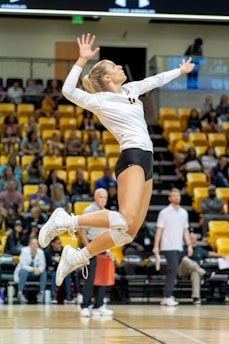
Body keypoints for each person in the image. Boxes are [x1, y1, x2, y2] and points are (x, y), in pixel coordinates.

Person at [38, 33, 195, 289]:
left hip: (147, 159)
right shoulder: (99, 100)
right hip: (131, 156)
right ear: (107, 77)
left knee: (128, 232)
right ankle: (65, 220)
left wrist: (180, 70)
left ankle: (77, 256)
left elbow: (155, 80)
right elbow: (67, 90)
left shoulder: (131, 89)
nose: (121, 66)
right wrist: (81, 60)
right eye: (114, 66)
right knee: (123, 219)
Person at [153, 188, 193, 306]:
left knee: (173, 271)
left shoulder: (184, 213)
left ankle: (168, 295)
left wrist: (189, 245)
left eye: (178, 195)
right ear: (169, 198)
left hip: (178, 246)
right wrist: (156, 246)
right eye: (174, 195)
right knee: (173, 270)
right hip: (167, 246)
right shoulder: (164, 212)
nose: (176, 197)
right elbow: (159, 230)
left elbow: (185, 231)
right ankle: (167, 296)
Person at [78, 188, 114, 317]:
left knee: (102, 277)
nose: (103, 200)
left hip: (103, 245)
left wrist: (108, 249)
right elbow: (82, 230)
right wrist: (88, 249)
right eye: (100, 197)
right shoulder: (88, 211)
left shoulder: (106, 213)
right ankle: (85, 305)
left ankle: (99, 305)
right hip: (91, 245)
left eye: (105, 197)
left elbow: (107, 233)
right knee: (90, 278)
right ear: (95, 197)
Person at [178, 233, 223, 305]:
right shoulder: (182, 248)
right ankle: (205, 274)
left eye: (195, 240)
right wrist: (194, 264)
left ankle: (196, 298)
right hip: (182, 270)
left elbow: (209, 253)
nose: (194, 241)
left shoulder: (199, 250)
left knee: (195, 272)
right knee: (185, 259)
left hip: (195, 270)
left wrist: (221, 255)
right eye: (191, 239)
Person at [14, 238, 47, 304]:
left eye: (36, 243)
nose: (34, 245)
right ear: (29, 244)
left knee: (43, 272)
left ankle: (41, 293)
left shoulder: (41, 252)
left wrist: (39, 270)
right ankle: (20, 293)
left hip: (35, 273)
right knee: (24, 271)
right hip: (25, 271)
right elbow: (23, 265)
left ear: (38, 245)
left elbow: (43, 265)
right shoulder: (24, 251)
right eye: (33, 243)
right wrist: (34, 269)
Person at [45, 236, 73, 304]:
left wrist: (55, 266)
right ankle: (53, 295)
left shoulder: (63, 251)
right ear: (53, 244)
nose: (60, 245)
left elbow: (66, 263)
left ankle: (68, 296)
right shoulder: (48, 252)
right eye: (58, 243)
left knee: (67, 275)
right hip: (51, 272)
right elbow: (47, 265)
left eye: (60, 243)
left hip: (61, 271)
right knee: (54, 275)